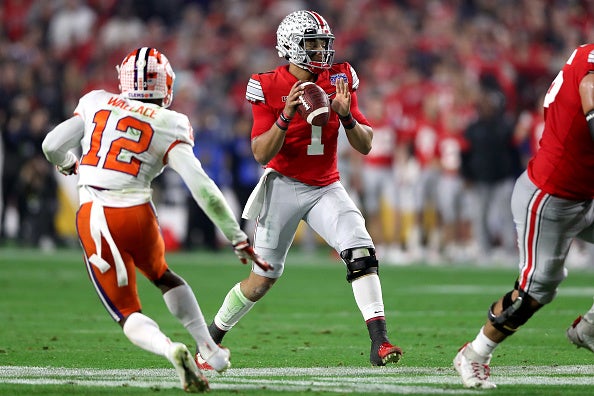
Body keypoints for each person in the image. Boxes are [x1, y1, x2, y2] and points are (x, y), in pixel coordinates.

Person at [41, 47, 272, 393]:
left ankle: (170, 349)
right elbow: (203, 188)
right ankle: (207, 346)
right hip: (139, 213)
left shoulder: (96, 101)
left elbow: (51, 144)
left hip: (96, 215)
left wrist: (70, 164)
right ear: (166, 85)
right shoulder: (170, 122)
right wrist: (236, 236)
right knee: (162, 275)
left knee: (126, 310)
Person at [195, 10, 402, 369]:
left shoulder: (340, 77)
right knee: (261, 281)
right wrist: (285, 115)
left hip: (326, 186)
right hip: (284, 186)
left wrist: (347, 115)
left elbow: (366, 144)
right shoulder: (268, 84)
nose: (323, 50)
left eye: (325, 42)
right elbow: (261, 152)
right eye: (314, 43)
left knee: (361, 252)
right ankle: (209, 339)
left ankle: (380, 342)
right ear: (291, 47)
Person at [454, 43, 594, 389]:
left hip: (585, 192)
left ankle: (589, 329)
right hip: (550, 197)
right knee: (535, 291)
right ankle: (474, 353)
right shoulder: (590, 68)